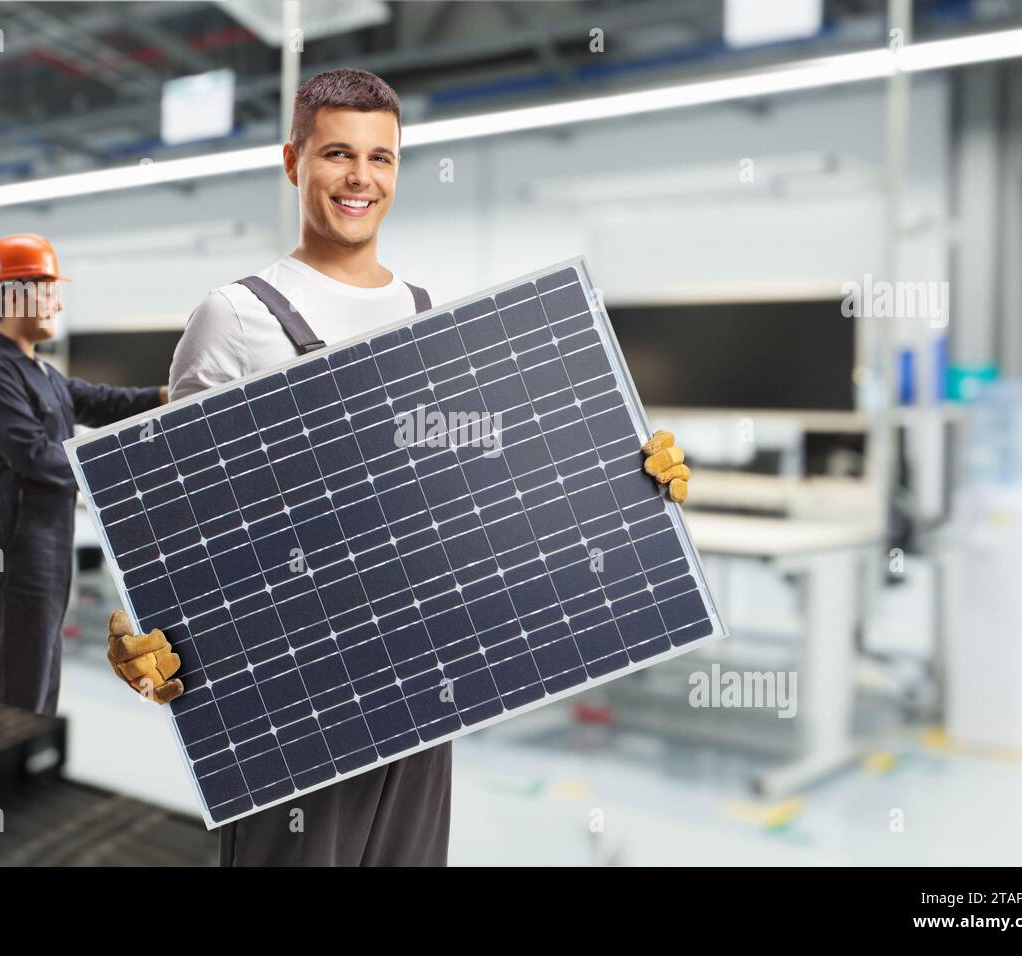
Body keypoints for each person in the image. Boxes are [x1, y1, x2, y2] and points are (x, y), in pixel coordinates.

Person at [104, 69, 690, 866]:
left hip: (419, 697)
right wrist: (138, 635)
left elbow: (481, 484)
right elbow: (171, 518)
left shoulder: (425, 314)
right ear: (293, 161)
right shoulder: (235, 317)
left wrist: (624, 477)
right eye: (338, 154)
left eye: (381, 159)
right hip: (291, 709)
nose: (361, 178)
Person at [0, 233, 167, 716]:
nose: (58, 300)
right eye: (48, 288)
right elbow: (34, 455)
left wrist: (169, 394)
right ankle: (3, 784)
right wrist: (114, 473)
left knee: (44, 672)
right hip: (14, 547)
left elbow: (103, 402)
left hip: (49, 543)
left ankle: (29, 770)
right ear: (13, 296)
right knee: (20, 681)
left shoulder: (45, 374)